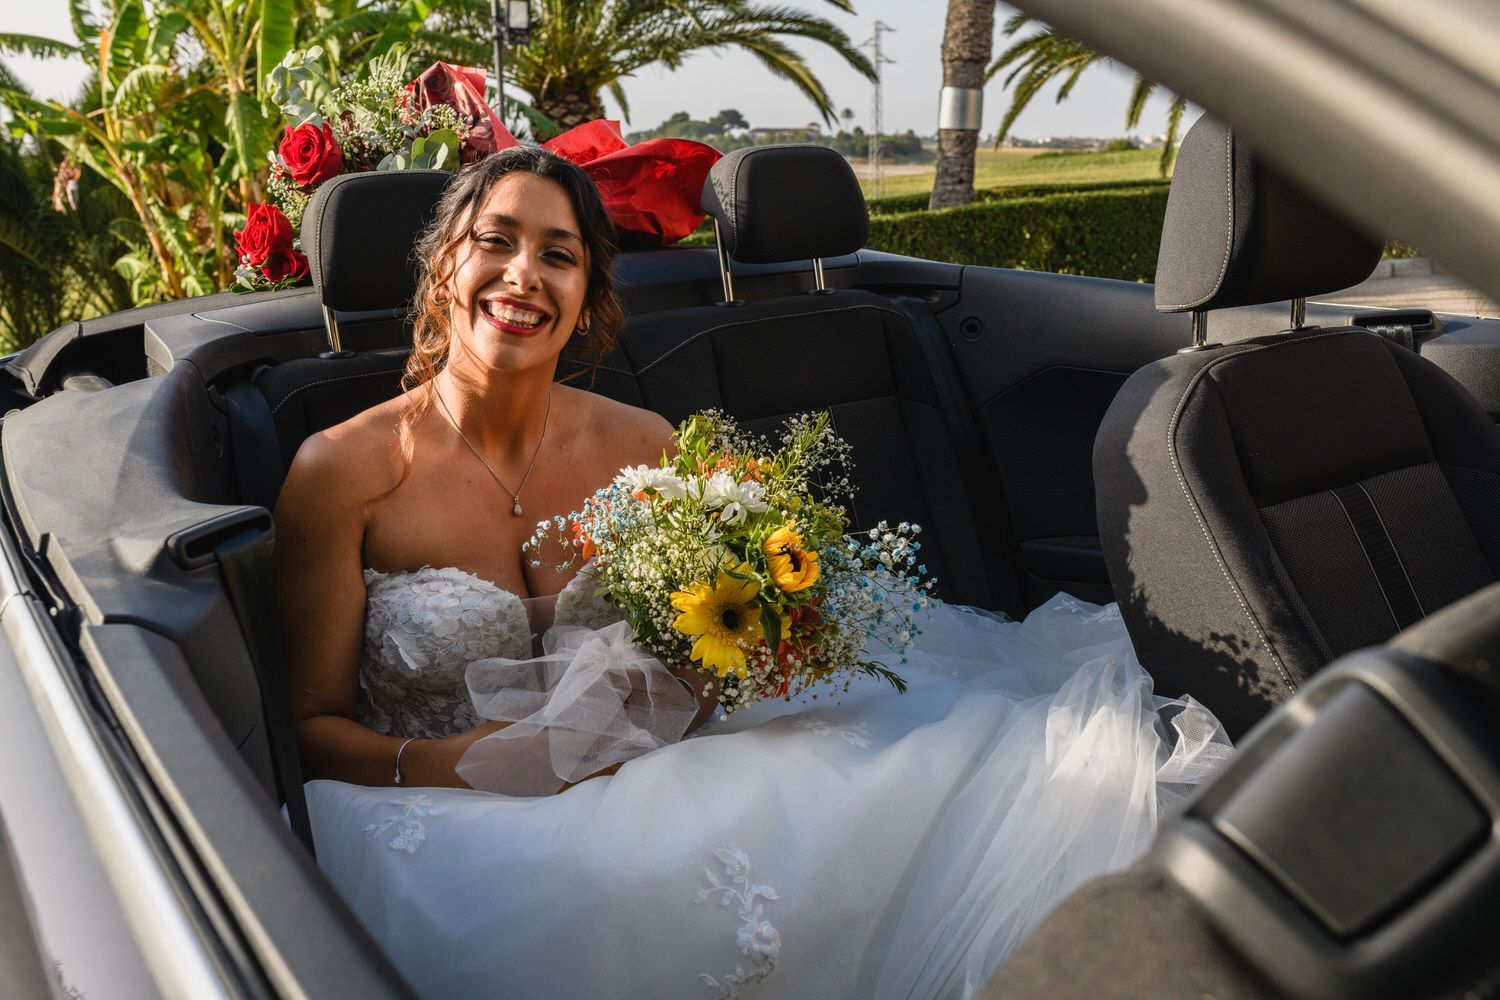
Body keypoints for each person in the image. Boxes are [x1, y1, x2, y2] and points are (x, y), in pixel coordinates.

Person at [277, 147, 1231, 999]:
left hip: (659, 761)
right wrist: (442, 766)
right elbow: (308, 727)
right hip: (444, 808)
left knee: (939, 786)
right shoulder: (344, 470)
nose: (524, 275)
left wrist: (681, 685)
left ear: (588, 299)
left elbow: (733, 636)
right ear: (446, 265)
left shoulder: (644, 447)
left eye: (559, 255)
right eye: (496, 241)